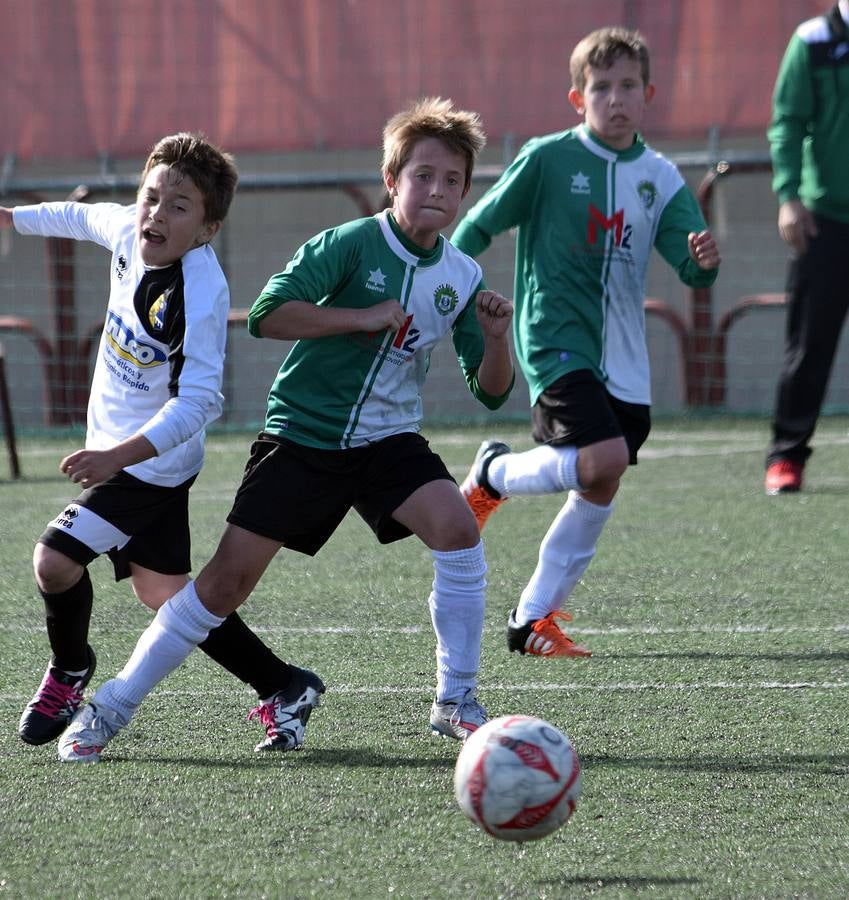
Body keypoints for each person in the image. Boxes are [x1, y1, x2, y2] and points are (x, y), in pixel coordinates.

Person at [56, 97, 515, 763]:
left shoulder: (462, 276)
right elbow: (269, 313)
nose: (436, 190)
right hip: (302, 435)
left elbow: (492, 390)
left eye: (450, 181)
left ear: (466, 192)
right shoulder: (352, 243)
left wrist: (496, 339)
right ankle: (110, 707)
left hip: (386, 441)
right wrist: (357, 317)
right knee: (223, 584)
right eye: (421, 175)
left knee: (457, 528)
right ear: (392, 181)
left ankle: (456, 700)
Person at [1, 132, 321, 755]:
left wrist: (116, 457)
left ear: (207, 228)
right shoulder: (127, 230)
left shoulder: (201, 291)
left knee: (54, 560)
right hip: (126, 459)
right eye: (152, 196)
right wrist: (11, 218)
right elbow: (77, 215)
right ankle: (284, 685)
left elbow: (201, 402)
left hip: (150, 466)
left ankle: (69, 670)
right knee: (167, 598)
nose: (156, 212)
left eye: (179, 205)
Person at [452, 26, 721, 656]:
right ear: (578, 98)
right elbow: (480, 224)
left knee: (600, 482)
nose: (615, 97)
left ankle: (531, 618)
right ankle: (493, 473)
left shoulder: (660, 176)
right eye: (601, 87)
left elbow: (691, 266)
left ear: (648, 94)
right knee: (604, 460)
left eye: (628, 86)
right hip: (554, 338)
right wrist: (447, 286)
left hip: (625, 358)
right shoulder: (548, 159)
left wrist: (703, 261)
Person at [762, 2, 849, 495]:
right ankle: (786, 456)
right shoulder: (812, 39)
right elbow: (788, 122)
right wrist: (789, 196)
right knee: (809, 347)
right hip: (824, 223)